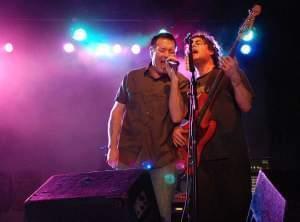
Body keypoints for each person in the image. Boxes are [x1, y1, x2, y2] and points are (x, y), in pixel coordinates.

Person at [106, 32, 189, 222]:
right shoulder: (132, 77)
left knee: (162, 214)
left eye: (171, 51)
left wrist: (174, 80)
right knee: (126, 212)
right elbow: (117, 112)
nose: (167, 55)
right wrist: (112, 147)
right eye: (162, 50)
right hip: (129, 156)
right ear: (151, 51)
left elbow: (178, 116)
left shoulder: (181, 82)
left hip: (163, 159)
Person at [172, 32, 254, 222]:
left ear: (211, 50)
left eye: (198, 43)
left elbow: (247, 105)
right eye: (188, 45)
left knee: (235, 212)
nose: (191, 46)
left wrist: (235, 78)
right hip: (200, 160)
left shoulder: (227, 73)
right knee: (205, 214)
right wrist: (178, 129)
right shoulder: (191, 85)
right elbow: (187, 118)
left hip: (230, 155)